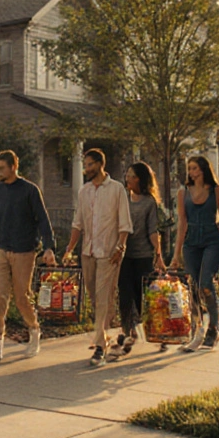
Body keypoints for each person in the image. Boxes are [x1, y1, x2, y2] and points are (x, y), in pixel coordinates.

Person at [0, 150, 56, 362]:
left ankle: (34, 330)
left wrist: (49, 247)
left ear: (13, 167)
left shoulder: (30, 191)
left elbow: (43, 220)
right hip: (1, 250)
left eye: (1, 168)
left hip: (25, 251)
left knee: (21, 297)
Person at [64, 148, 133, 367]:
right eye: (85, 165)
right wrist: (69, 249)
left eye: (90, 165)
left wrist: (120, 247)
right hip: (88, 252)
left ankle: (100, 348)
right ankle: (106, 334)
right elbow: (78, 223)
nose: (86, 169)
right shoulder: (84, 191)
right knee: (95, 298)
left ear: (100, 165)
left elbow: (124, 223)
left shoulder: (117, 190)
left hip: (109, 253)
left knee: (104, 297)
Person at [169, 155, 219, 352]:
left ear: (203, 170)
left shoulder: (216, 190)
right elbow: (182, 224)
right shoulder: (183, 193)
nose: (191, 172)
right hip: (191, 243)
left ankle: (213, 328)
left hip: (212, 241)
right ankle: (197, 332)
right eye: (189, 169)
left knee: (205, 284)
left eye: (194, 168)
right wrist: (176, 255)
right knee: (193, 288)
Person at [108, 161, 167, 361]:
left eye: (131, 175)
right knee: (125, 295)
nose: (127, 178)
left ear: (140, 179)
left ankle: (158, 333)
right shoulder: (123, 198)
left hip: (143, 256)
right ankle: (127, 331)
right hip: (124, 255)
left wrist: (158, 255)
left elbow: (152, 230)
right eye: (127, 175)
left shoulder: (149, 202)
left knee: (144, 298)